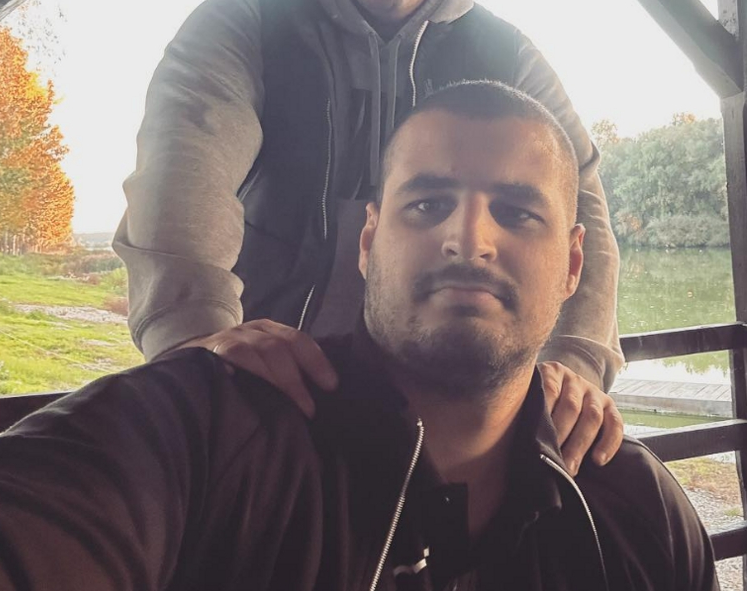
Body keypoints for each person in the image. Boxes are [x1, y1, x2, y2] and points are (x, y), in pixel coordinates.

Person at [0, 82, 722, 591]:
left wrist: (580, 364)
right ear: (366, 240)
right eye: (427, 203)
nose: (469, 239)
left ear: (574, 263)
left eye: (518, 213)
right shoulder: (203, 434)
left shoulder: (636, 506)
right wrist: (196, 335)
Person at [113, 0, 625, 474]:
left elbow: (578, 204)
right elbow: (181, 175)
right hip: (269, 393)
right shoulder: (248, 21)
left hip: (449, 417)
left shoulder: (508, 53)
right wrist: (196, 343)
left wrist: (573, 366)